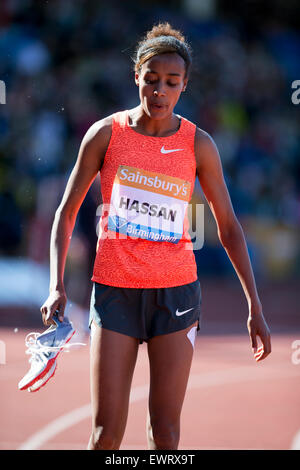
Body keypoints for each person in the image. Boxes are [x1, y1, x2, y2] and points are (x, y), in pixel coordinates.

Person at [40, 22, 271, 450]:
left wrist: (254, 304)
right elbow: (65, 212)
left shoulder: (198, 144)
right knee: (105, 435)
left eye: (171, 82)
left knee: (165, 436)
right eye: (151, 80)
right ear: (136, 78)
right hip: (115, 293)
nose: (159, 91)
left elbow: (229, 228)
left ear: (184, 85)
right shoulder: (105, 135)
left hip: (176, 295)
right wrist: (55, 285)